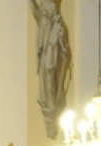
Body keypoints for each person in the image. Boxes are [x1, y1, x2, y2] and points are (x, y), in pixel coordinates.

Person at [30, 0, 72, 138]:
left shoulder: (59, 26)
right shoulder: (44, 22)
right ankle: (50, 105)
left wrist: (63, 46)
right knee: (47, 71)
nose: (48, 13)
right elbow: (35, 11)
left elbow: (65, 51)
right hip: (47, 55)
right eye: (46, 11)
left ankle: (53, 105)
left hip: (55, 55)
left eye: (50, 11)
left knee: (51, 71)